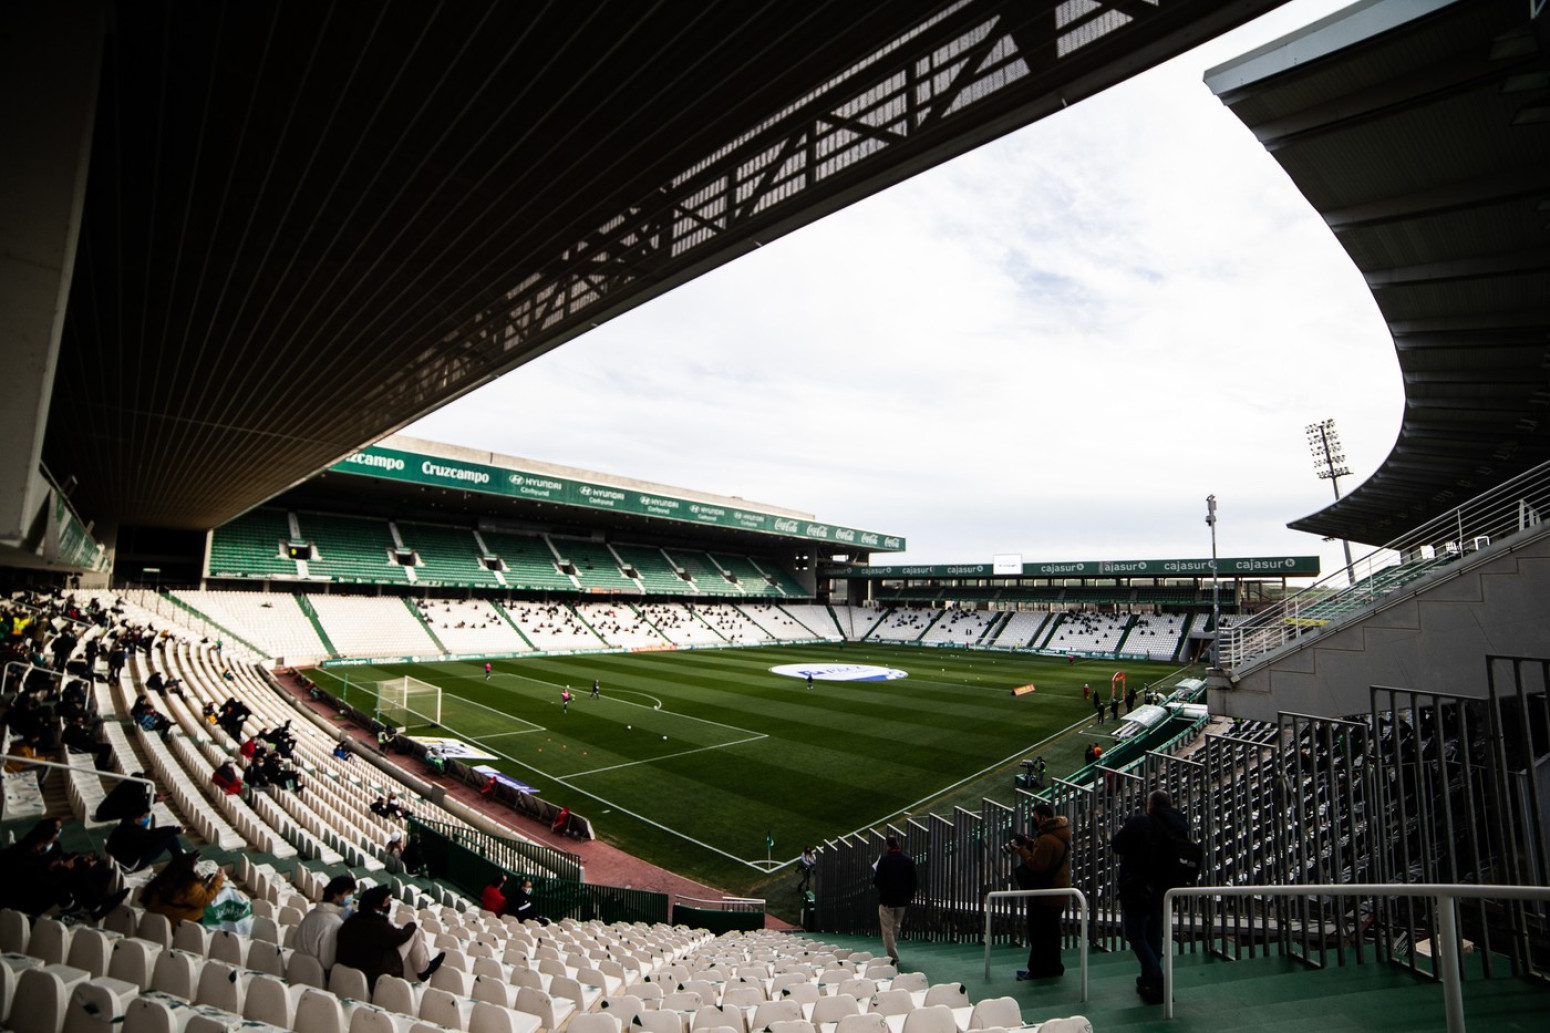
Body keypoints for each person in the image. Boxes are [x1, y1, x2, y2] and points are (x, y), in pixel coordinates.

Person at [1112, 789, 1189, 1005]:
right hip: (1164, 889)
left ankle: (1158, 981)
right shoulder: (1179, 824)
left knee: (1136, 935)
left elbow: (1117, 844)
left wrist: (1125, 831)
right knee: (1154, 935)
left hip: (1139, 888)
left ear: (1151, 805)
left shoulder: (1141, 822)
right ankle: (1149, 981)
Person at [335, 885, 444, 990]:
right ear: (380, 904)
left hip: (348, 972)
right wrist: (412, 925)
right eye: (387, 901)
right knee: (414, 933)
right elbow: (401, 936)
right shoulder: (378, 925)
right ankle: (424, 969)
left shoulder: (350, 922)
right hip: (376, 974)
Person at [1013, 802, 1072, 980]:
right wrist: (1031, 844)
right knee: (1052, 933)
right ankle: (1054, 967)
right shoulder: (1059, 835)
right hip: (1058, 892)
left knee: (1038, 934)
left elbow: (1037, 865)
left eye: (1035, 816)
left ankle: (1037, 970)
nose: (1034, 820)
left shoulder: (1047, 839)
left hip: (1046, 894)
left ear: (1043, 817)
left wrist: (1022, 851)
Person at [296, 874, 357, 972]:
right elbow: (328, 963)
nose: (351, 897)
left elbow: (295, 941)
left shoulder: (311, 914)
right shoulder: (335, 923)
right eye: (349, 893)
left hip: (297, 968)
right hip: (316, 974)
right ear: (336, 895)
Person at [140, 853, 225, 923]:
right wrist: (218, 879)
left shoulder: (162, 879)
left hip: (156, 924)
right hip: (181, 925)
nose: (197, 865)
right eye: (195, 863)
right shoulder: (189, 885)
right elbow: (204, 900)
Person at [872, 836, 916, 967]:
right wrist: (909, 897)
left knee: (887, 929)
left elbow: (877, 881)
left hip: (887, 900)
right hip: (902, 900)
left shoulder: (884, 861)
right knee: (896, 926)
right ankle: (893, 948)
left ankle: (893, 956)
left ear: (887, 846)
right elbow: (913, 881)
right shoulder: (908, 860)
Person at [107, 806, 186, 872]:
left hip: (119, 861)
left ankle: (180, 859)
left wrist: (174, 829)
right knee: (170, 838)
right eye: (144, 817)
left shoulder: (122, 827)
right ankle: (182, 863)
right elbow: (152, 837)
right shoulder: (134, 832)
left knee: (166, 835)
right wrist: (176, 830)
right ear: (136, 818)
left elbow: (151, 833)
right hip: (131, 865)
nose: (146, 819)